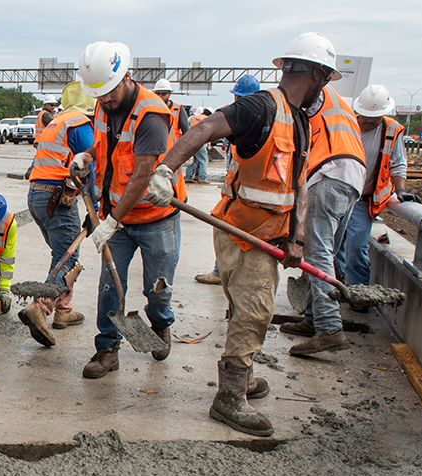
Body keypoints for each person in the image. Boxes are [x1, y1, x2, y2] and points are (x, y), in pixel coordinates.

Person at [147, 32, 338, 436]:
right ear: (318, 74)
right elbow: (203, 130)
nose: (325, 87)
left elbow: (298, 184)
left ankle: (243, 374)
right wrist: (167, 170)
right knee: (254, 311)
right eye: (327, 79)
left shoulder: (300, 121)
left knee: (246, 309)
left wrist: (296, 238)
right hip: (239, 231)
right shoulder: (261, 107)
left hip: (268, 235)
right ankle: (230, 396)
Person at [71, 41, 186, 379]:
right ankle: (107, 349)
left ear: (127, 77)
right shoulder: (102, 105)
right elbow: (107, 142)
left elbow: (141, 177)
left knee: (157, 287)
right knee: (110, 284)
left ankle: (161, 324)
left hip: (155, 218)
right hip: (117, 217)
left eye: (109, 91)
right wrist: (88, 155)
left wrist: (110, 222)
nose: (105, 99)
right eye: (99, 94)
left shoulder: (151, 114)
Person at [281, 76, 366, 357]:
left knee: (317, 255)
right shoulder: (339, 104)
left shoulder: (314, 94)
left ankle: (329, 329)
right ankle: (313, 321)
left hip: (328, 175)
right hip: (352, 178)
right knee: (327, 254)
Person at [19, 81, 96, 346]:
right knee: (67, 258)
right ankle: (40, 309)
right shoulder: (80, 124)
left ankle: (64, 311)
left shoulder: (57, 122)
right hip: (56, 198)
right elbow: (90, 166)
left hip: (38, 195)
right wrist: (96, 209)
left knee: (62, 256)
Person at [334, 84, 414, 289]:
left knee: (356, 248)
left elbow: (397, 163)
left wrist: (401, 189)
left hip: (363, 200)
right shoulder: (345, 124)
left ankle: (358, 291)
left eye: (375, 117)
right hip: (337, 195)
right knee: (332, 247)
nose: (369, 121)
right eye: (366, 116)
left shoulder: (391, 130)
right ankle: (338, 284)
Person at [195, 75, 261, 286]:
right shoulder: (233, 119)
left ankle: (229, 274)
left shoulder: (259, 122)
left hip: (250, 194)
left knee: (238, 234)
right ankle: (220, 272)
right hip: (234, 191)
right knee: (224, 229)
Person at [25, 94, 60, 180]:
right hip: (43, 141)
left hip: (40, 141)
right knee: (41, 158)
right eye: (51, 105)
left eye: (54, 105)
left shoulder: (42, 113)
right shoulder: (46, 115)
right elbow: (56, 125)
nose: (53, 107)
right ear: (46, 104)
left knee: (40, 158)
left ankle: (32, 172)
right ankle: (30, 172)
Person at [152, 78, 190, 144]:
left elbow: (186, 133)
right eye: (158, 94)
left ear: (170, 93)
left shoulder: (178, 109)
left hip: (174, 150)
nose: (160, 96)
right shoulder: (151, 109)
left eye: (164, 94)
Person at [185, 107, 212, 183]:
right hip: (199, 140)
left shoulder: (193, 117)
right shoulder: (206, 118)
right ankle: (202, 178)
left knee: (193, 160)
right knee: (203, 160)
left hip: (190, 139)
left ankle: (188, 177)